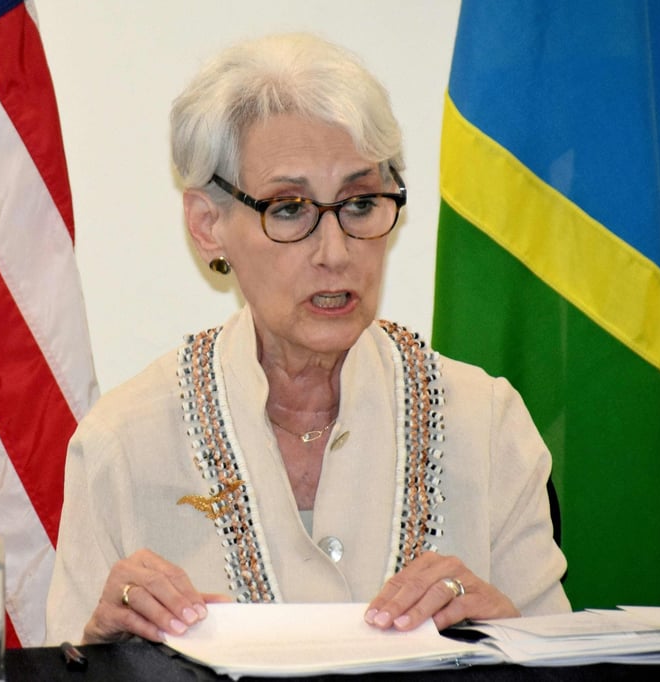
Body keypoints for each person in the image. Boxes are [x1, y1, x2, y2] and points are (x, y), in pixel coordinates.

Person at [45, 32, 570, 646]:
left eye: (360, 202)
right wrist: (101, 654)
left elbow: (564, 658)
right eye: (290, 208)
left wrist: (510, 632)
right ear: (208, 225)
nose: (336, 251)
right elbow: (67, 658)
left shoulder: (487, 425)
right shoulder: (124, 445)